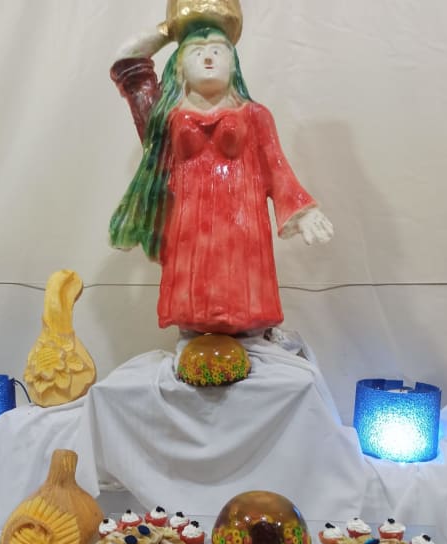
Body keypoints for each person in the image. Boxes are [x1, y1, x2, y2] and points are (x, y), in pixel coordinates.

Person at [109, 24, 333, 336]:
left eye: (217, 50)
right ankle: (193, 346)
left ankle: (252, 344)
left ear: (234, 64)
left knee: (246, 322)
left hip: (242, 235)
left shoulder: (256, 115)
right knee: (192, 323)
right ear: (180, 67)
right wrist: (171, 29)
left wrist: (304, 211)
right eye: (196, 52)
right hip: (188, 237)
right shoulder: (163, 119)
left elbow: (277, 168)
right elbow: (127, 62)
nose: (208, 58)